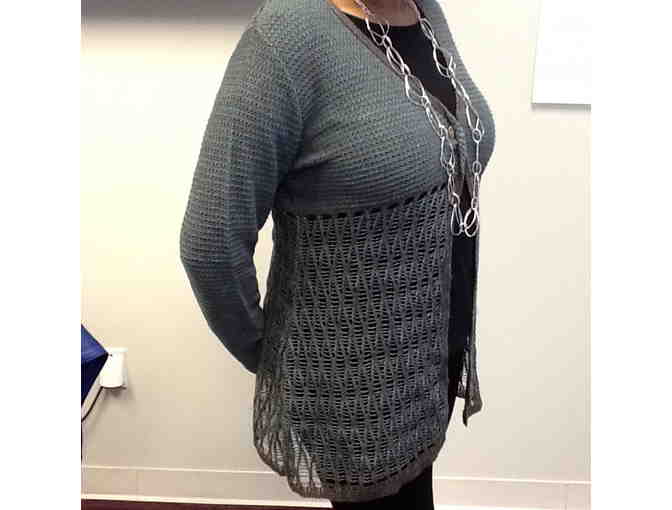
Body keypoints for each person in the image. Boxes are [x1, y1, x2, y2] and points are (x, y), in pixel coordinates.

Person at [179, 0, 496, 506]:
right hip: (353, 384)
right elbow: (210, 243)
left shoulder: (421, 10)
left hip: (428, 352)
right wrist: (274, 357)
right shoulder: (286, 37)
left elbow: (451, 141)